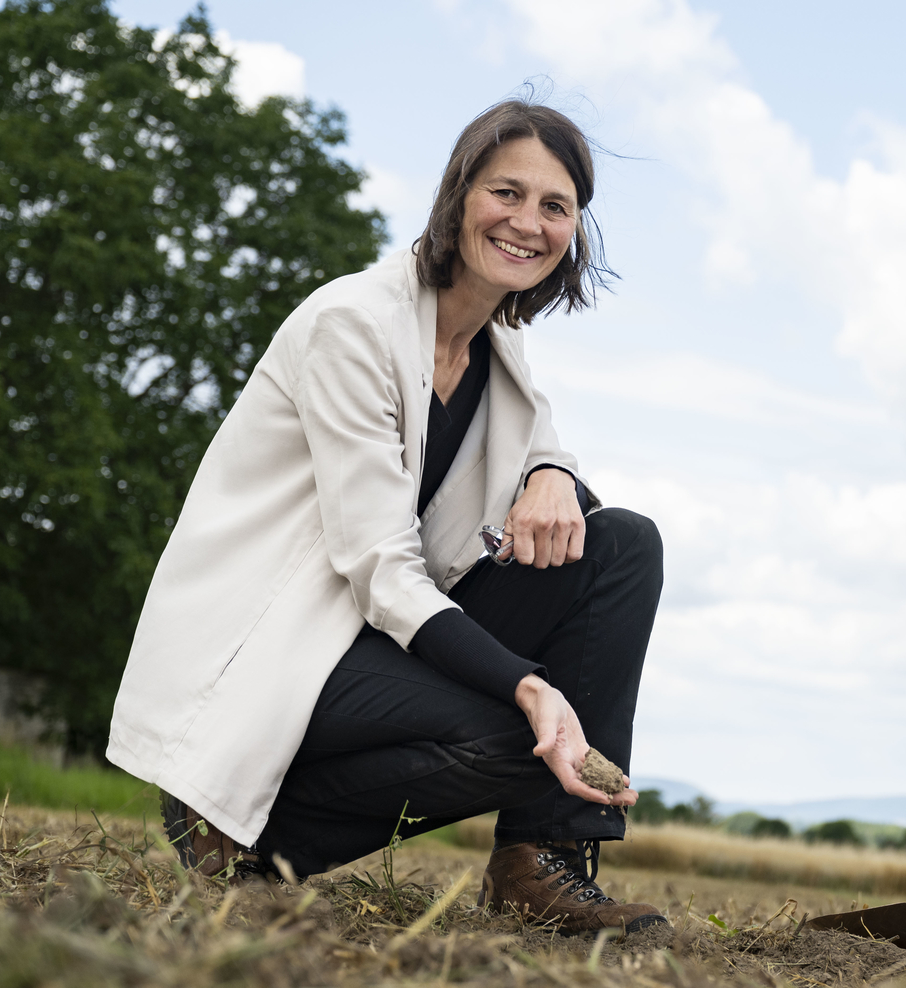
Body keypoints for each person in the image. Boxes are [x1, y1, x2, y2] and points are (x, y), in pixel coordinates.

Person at [107, 100, 667, 934]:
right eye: (506, 192)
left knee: (625, 542)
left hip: (368, 647)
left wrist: (553, 469)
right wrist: (530, 685)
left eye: (555, 206)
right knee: (526, 736)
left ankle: (541, 859)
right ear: (458, 194)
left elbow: (540, 440)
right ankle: (248, 836)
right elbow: (380, 567)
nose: (528, 223)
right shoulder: (353, 326)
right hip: (279, 655)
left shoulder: (497, 351)